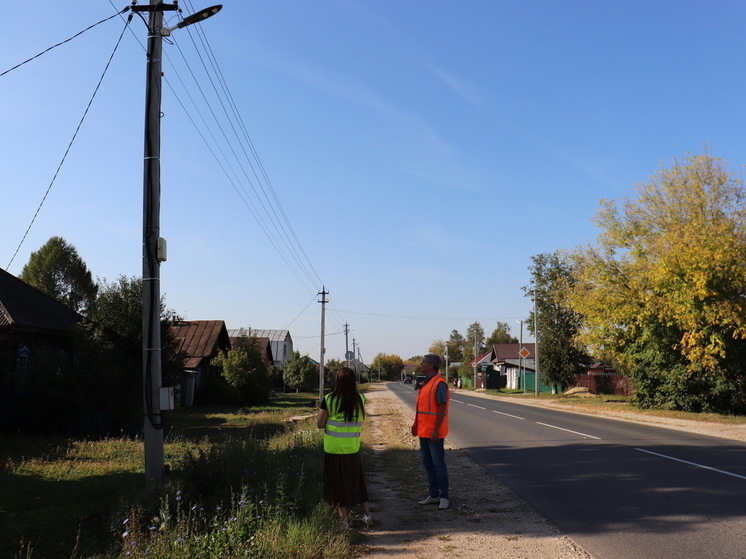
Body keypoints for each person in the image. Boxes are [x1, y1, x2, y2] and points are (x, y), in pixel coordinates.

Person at [317, 367, 372, 528]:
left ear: (337, 381)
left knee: (337, 485)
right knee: (357, 483)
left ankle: (344, 521)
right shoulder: (360, 398)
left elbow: (320, 424)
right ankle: (368, 515)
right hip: (352, 449)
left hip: (333, 449)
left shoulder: (329, 399)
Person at [411, 354, 450, 510]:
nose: (421, 364)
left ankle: (444, 496)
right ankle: (434, 495)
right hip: (424, 431)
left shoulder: (439, 383)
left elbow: (441, 407)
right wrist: (415, 425)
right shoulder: (426, 382)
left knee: (438, 464)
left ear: (432, 365)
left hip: (434, 432)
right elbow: (422, 409)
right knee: (428, 463)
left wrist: (436, 430)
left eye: (424, 362)